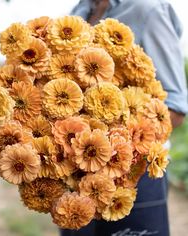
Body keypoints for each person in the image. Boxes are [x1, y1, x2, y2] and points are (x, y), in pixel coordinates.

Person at [60, 0, 188, 236]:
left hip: (133, 175)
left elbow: (176, 107)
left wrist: (116, 145)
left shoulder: (147, 10)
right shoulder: (79, 12)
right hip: (73, 177)